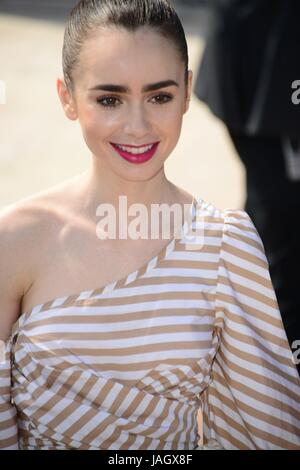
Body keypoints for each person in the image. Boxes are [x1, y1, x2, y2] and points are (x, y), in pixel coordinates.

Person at [0, 0, 299, 451]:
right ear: (67, 98)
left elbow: (264, 433)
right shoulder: (14, 239)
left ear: (186, 91)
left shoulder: (226, 244)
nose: (137, 126)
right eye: (109, 99)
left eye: (159, 96)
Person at [191, 0, 300, 375]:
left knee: (271, 220)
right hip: (267, 69)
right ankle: (270, 368)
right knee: (279, 223)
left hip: (264, 62)